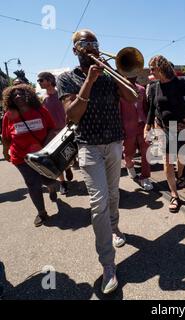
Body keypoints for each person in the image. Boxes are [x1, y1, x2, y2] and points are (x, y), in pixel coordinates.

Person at [56, 29, 136, 295]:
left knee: (113, 194)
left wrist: (117, 73)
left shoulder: (110, 74)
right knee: (98, 201)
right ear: (75, 49)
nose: (91, 47)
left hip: (114, 143)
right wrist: (89, 81)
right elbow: (72, 115)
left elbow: (133, 97)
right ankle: (108, 264)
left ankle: (115, 227)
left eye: (95, 43)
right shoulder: (67, 78)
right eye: (85, 43)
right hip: (88, 147)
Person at [145, 55, 185, 213]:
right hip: (162, 127)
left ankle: (180, 176)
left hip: (180, 125)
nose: (151, 71)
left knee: (182, 157)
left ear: (161, 68)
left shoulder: (180, 83)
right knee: (168, 160)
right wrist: (147, 127)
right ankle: (174, 195)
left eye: (153, 68)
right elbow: (151, 109)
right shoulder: (154, 86)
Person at [1, 84, 58, 227]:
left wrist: (46, 146)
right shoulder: (9, 115)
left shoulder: (40, 110)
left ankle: (51, 188)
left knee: (48, 180)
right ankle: (42, 212)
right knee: (32, 184)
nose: (18, 96)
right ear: (10, 99)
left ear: (29, 95)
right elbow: (6, 137)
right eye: (14, 95)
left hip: (42, 155)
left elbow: (52, 129)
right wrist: (4, 152)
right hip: (21, 157)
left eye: (21, 93)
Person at [37, 72, 74, 195]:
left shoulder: (62, 93)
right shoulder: (42, 98)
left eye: (41, 80)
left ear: (49, 80)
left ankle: (68, 167)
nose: (39, 83)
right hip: (53, 133)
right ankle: (63, 183)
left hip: (67, 130)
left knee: (68, 156)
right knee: (56, 158)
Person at [120, 76, 153, 191]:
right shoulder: (120, 91)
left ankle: (145, 177)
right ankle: (129, 165)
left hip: (142, 126)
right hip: (128, 128)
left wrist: (149, 124)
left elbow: (145, 108)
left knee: (146, 153)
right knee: (128, 154)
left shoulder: (141, 89)